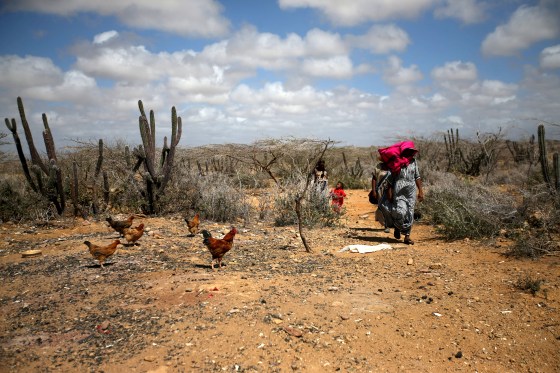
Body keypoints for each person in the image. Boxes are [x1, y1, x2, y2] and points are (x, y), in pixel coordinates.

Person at [378, 141, 424, 245]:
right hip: (399, 190)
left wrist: (420, 190)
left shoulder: (414, 162)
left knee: (410, 212)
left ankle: (407, 236)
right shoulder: (397, 162)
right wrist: (389, 191)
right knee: (400, 211)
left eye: (411, 151)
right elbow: (390, 178)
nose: (409, 152)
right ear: (403, 151)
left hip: (411, 190)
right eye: (407, 150)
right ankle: (398, 228)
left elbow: (417, 176)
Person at [371, 161, 391, 233]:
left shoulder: (394, 165)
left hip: (391, 190)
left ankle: (393, 224)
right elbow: (374, 178)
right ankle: (386, 225)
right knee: (382, 207)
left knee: (391, 206)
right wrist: (374, 191)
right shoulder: (379, 166)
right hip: (381, 190)